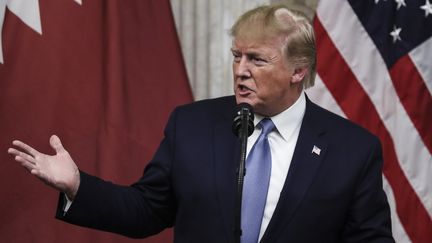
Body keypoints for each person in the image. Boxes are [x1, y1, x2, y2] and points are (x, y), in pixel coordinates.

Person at [8, 4, 395, 243]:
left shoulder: (352, 150)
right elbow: (146, 211)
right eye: (236, 56)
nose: (240, 71)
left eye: (257, 60)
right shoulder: (192, 125)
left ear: (299, 71)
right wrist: (78, 184)